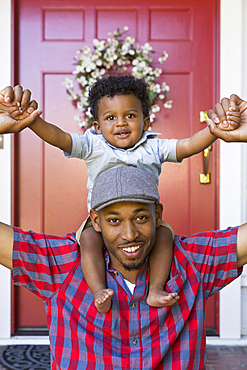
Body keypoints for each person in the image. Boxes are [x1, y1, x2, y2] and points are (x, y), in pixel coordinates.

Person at [1, 78, 241, 315]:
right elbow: (59, 137)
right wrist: (33, 122)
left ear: (145, 122)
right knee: (88, 240)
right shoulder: (92, 145)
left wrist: (214, 131)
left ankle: (156, 288)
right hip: (99, 226)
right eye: (110, 118)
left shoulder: (153, 147)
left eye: (130, 115)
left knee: (165, 235)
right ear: (97, 126)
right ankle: (98, 291)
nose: (121, 123)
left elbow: (188, 145)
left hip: (145, 218)